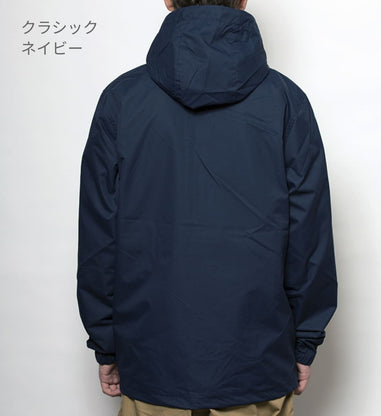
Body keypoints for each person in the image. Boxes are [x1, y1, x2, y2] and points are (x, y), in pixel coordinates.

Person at [76, 0, 338, 415]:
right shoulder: (286, 101)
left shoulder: (122, 100)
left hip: (152, 358)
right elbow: (310, 237)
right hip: (257, 360)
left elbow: (98, 238)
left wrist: (106, 342)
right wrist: (305, 340)